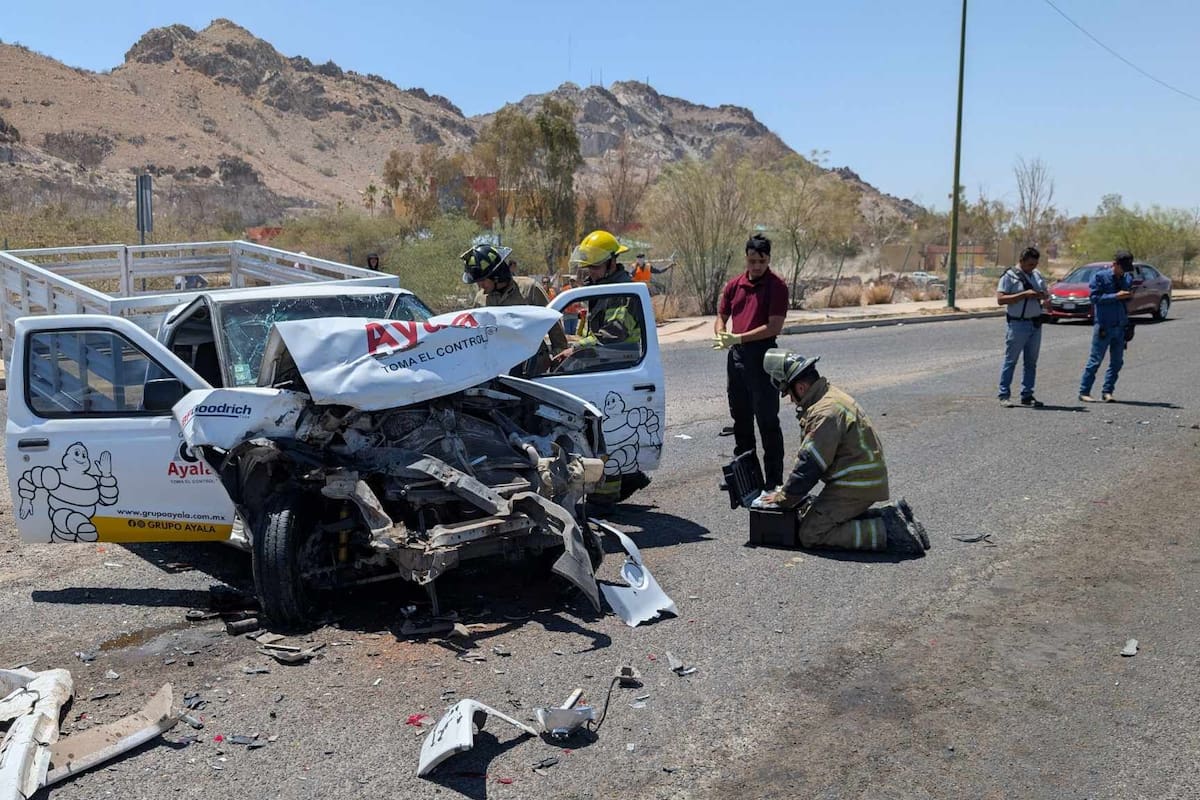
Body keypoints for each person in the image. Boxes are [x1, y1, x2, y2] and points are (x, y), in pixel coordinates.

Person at [758, 350, 929, 556]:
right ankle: (895, 515)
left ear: (801, 387)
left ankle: (891, 531)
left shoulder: (824, 412)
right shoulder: (829, 396)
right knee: (817, 515)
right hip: (860, 480)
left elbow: (809, 465)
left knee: (811, 533)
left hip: (856, 485)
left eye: (789, 393)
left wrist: (784, 498)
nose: (792, 401)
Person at [558, 229, 650, 506]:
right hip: (606, 364)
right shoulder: (602, 288)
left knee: (605, 433)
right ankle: (629, 476)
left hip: (620, 366)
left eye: (596, 267)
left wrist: (575, 347)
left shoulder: (620, 290)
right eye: (588, 268)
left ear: (612, 262)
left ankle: (606, 498)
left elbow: (615, 331)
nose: (591, 272)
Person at [712, 234, 789, 488]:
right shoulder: (735, 285)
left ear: (768, 259)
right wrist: (722, 332)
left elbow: (773, 326)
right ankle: (745, 477)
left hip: (764, 358)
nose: (756, 266)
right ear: (746, 258)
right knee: (741, 419)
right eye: (752, 260)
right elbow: (721, 314)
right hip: (737, 358)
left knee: (767, 421)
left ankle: (774, 482)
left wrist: (738, 338)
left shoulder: (776, 286)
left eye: (761, 261)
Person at [459, 244, 568, 354]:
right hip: (497, 364)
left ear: (496, 275)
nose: (479, 285)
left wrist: (559, 354)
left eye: (482, 280)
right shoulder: (480, 299)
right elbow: (475, 334)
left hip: (532, 363)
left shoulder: (530, 289)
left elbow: (552, 323)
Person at [1078, 250, 1135, 403]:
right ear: (1114, 264)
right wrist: (1115, 296)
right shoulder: (1100, 277)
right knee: (1095, 360)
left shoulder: (1127, 278)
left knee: (1117, 362)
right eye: (1122, 267)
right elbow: (1094, 298)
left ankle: (1108, 391)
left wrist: (1128, 296)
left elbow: (1128, 299)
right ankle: (1084, 391)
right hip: (1104, 325)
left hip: (1120, 325)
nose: (1124, 271)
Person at [995, 246, 1048, 408]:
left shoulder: (1037, 275)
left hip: (1035, 324)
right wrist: (1023, 295)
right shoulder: (1009, 276)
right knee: (1011, 361)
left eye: (1035, 264)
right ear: (1021, 261)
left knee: (1031, 362)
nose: (1033, 267)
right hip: (1017, 324)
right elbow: (1001, 299)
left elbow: (1046, 294)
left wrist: (1043, 295)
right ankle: (1004, 394)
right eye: (1030, 264)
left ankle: (1027, 394)